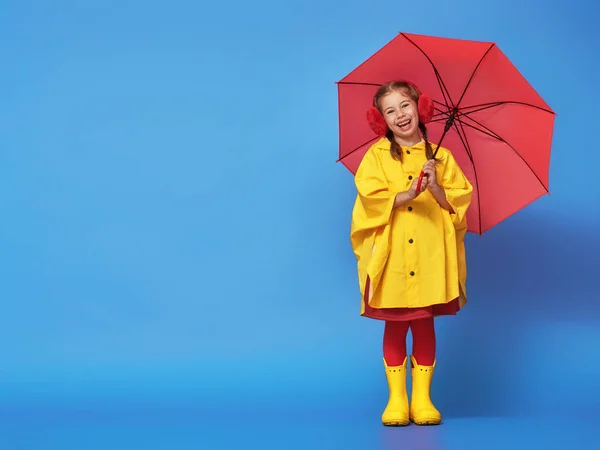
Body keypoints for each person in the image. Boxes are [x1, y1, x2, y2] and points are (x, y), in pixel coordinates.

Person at [350, 80, 473, 426]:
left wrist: (434, 186)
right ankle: (396, 400)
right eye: (390, 111)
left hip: (430, 254)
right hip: (393, 258)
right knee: (393, 324)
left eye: (405, 106)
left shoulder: (442, 158)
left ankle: (422, 399)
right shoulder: (375, 157)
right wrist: (407, 193)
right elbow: (370, 200)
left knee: (423, 323)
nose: (400, 115)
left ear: (421, 107)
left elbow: (457, 207)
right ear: (382, 120)